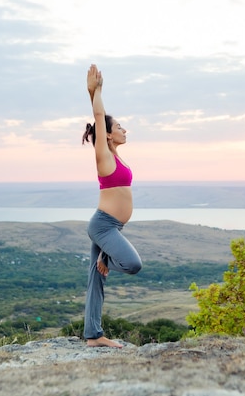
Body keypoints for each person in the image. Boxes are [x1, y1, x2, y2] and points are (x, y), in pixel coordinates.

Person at [80, 64, 142, 348]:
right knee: (131, 263)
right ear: (107, 135)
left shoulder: (117, 157)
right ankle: (104, 260)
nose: (124, 129)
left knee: (96, 281)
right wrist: (96, 91)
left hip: (111, 226)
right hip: (104, 225)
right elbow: (97, 116)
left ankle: (93, 336)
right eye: (118, 127)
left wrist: (95, 91)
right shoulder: (103, 157)